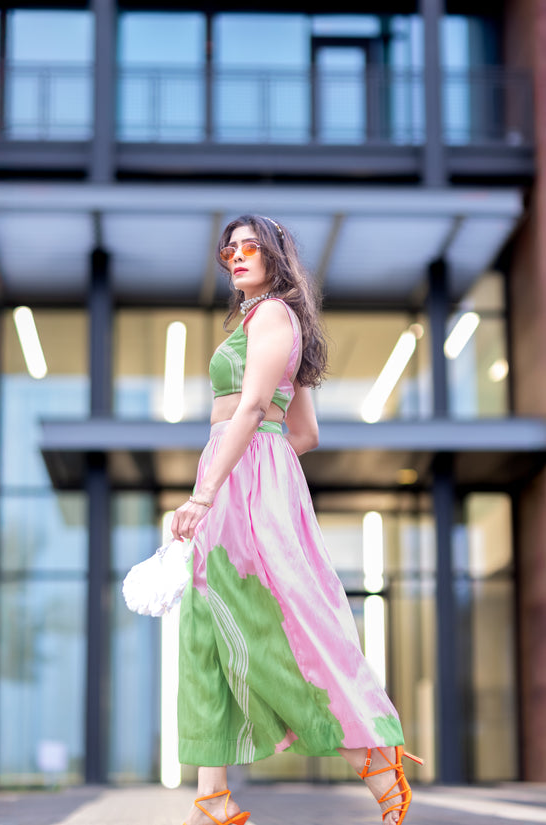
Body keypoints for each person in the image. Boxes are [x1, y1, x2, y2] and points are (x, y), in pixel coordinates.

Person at [171, 215, 422, 825]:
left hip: (238, 476)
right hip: (246, 470)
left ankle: (372, 759)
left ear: (275, 256)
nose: (236, 256)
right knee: (207, 623)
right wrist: (259, 463)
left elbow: (255, 407)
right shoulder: (270, 321)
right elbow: (303, 432)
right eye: (228, 250)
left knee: (266, 625)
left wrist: (209, 491)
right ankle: (212, 796)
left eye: (249, 247)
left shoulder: (272, 315)